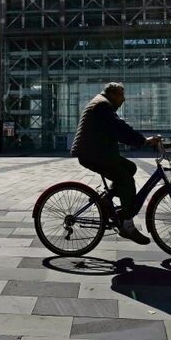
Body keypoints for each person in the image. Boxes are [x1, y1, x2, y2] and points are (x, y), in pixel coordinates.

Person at [70, 82, 161, 245]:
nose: (124, 100)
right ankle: (127, 225)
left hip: (97, 151)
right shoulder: (102, 106)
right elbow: (120, 129)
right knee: (126, 180)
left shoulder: (102, 104)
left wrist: (140, 141)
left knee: (130, 167)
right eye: (121, 95)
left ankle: (107, 199)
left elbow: (118, 129)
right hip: (93, 153)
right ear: (112, 94)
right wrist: (143, 141)